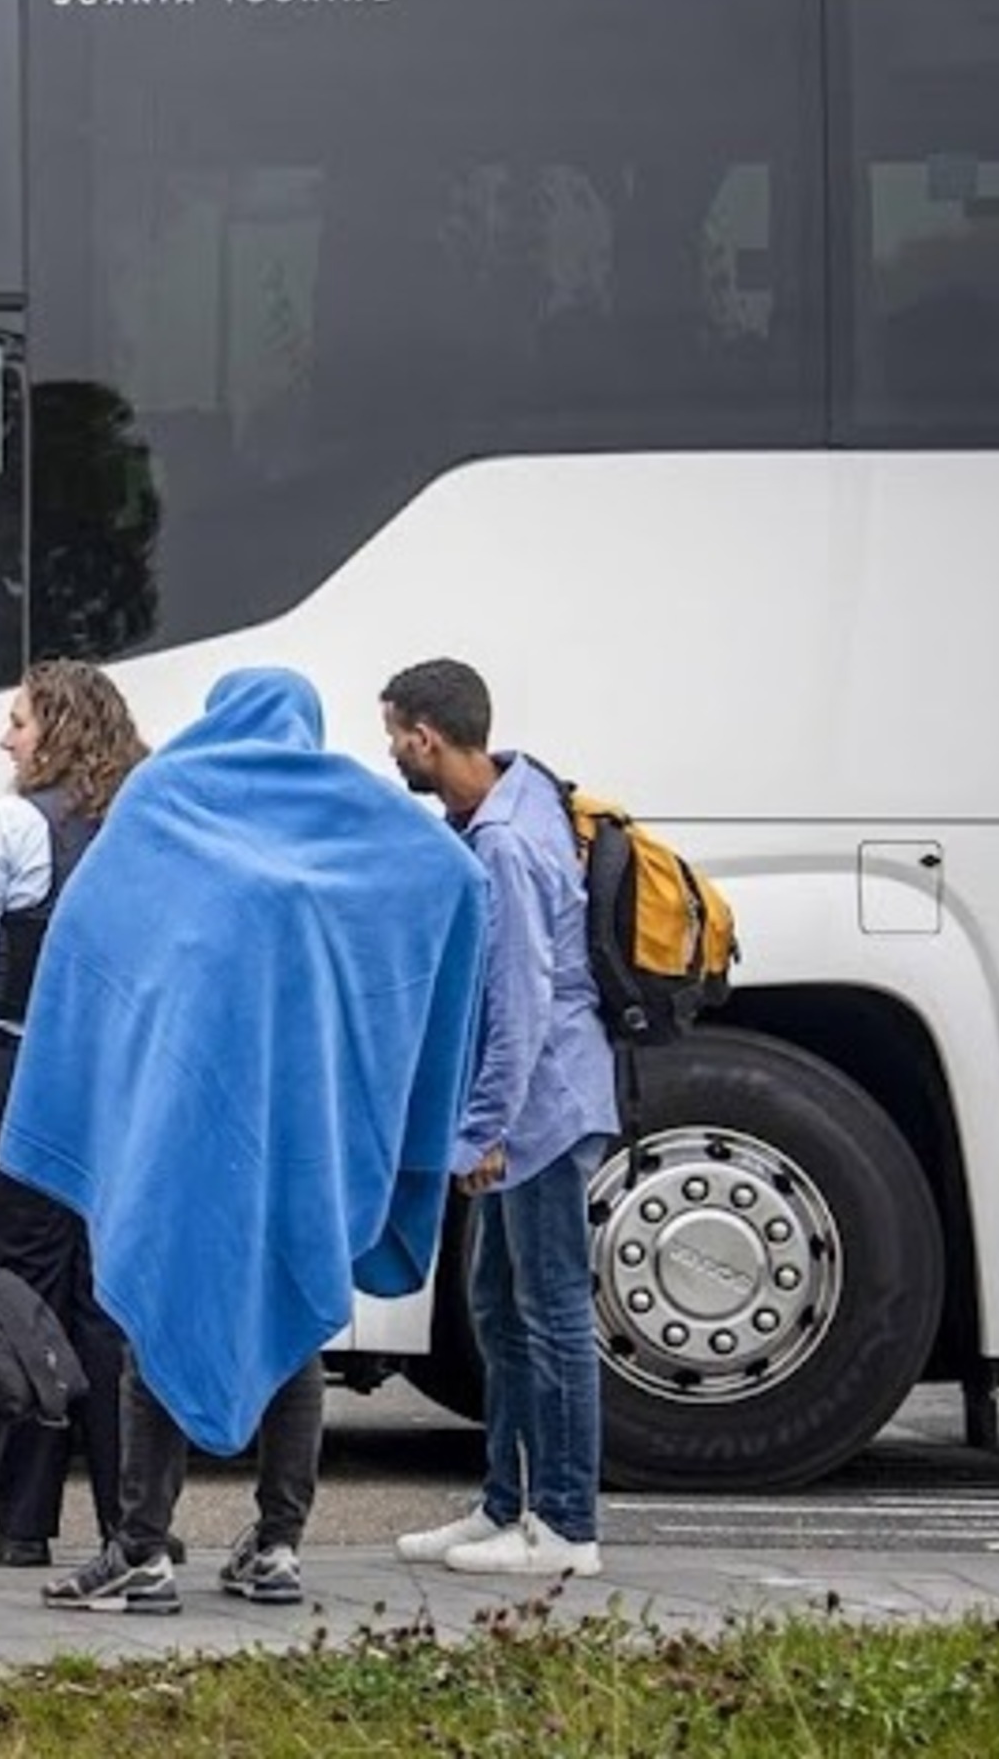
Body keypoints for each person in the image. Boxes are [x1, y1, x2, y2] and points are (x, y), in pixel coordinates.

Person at [3, 668, 484, 1617]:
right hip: (302, 1132)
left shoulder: (166, 803)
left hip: (176, 1123)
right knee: (296, 1324)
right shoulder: (345, 823)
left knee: (151, 1304)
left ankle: (140, 1551)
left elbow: (88, 940)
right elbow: (453, 874)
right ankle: (276, 1546)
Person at [384, 657, 616, 1580]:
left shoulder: (507, 845)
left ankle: (565, 1524)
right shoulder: (514, 804)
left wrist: (483, 1130)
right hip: (537, 1106)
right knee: (496, 1304)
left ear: (426, 738)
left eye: (395, 736)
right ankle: (503, 1505)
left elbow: (518, 1004)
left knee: (552, 1311)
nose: (393, 752)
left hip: (544, 1115)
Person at [0, 660, 145, 1569]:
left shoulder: (14, 827)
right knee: (108, 1296)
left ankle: (22, 1522)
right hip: (119, 1080)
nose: (5, 736)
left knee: (22, 1287)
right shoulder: (143, 822)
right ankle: (130, 1518)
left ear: (55, 729)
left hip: (16, 1073)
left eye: (17, 720)